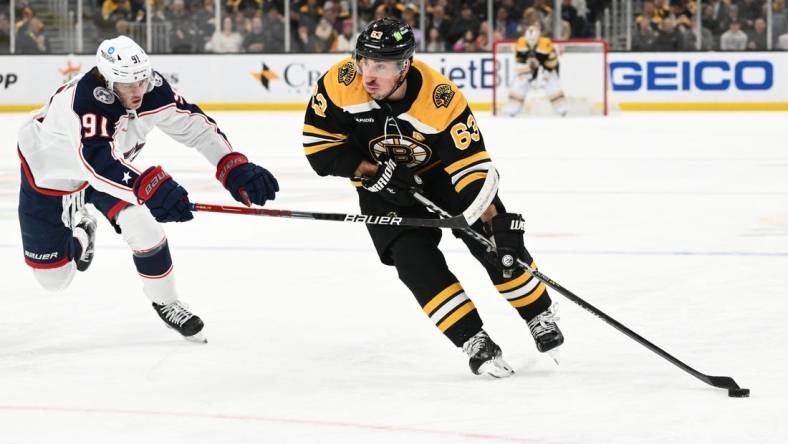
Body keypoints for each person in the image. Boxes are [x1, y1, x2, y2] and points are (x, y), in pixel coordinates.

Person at [301, 18, 563, 378]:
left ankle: (537, 312)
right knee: (412, 262)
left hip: (441, 177)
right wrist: (373, 173)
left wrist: (492, 220)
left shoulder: (439, 99)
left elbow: (471, 168)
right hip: (380, 185)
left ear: (404, 66)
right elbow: (319, 149)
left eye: (380, 65)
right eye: (363, 61)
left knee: (495, 246)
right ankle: (473, 339)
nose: (367, 75)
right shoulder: (340, 83)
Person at [17, 35, 278, 342]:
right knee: (55, 280)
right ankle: (84, 229)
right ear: (108, 80)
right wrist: (148, 185)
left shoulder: (150, 88)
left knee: (144, 226)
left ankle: (167, 303)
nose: (138, 91)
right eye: (128, 85)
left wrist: (230, 164)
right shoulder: (86, 103)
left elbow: (193, 125)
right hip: (52, 176)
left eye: (141, 81)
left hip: (109, 170)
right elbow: (96, 162)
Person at [503, 25, 567, 117]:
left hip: (546, 67)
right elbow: (519, 60)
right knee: (519, 82)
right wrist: (525, 71)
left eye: (534, 39)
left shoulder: (546, 43)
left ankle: (561, 107)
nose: (531, 41)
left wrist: (546, 74)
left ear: (538, 37)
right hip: (529, 67)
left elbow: (553, 61)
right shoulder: (520, 42)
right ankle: (513, 107)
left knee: (551, 83)